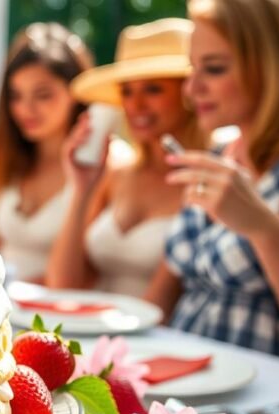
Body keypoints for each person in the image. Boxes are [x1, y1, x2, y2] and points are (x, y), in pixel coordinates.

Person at [155, 0, 279, 365]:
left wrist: (266, 229)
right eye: (193, 68)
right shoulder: (220, 153)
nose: (191, 89)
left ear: (275, 68)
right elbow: (163, 296)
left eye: (214, 69)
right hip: (187, 383)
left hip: (267, 400)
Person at [47, 19, 206, 299]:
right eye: (127, 92)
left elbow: (162, 308)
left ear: (190, 92)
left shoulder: (206, 179)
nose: (135, 106)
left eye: (153, 89)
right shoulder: (116, 172)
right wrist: (82, 189)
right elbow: (62, 285)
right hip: (94, 329)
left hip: (157, 338)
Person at [0, 23, 95, 283]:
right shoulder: (4, 156)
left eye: (42, 95)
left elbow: (88, 271)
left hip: (58, 311)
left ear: (75, 92)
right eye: (16, 96)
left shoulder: (98, 165)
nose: (25, 109)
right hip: (1, 304)